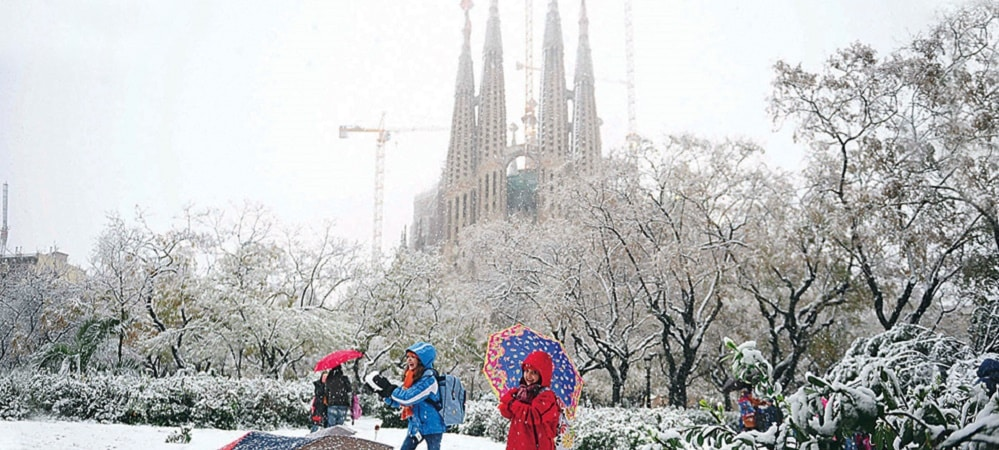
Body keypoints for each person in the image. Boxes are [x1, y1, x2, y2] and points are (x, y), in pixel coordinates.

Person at [371, 342, 445, 450]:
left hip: (432, 426)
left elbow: (408, 398)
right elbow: (399, 401)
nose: (409, 360)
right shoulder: (411, 379)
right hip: (416, 425)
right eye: (408, 357)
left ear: (422, 360)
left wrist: (389, 388)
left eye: (413, 357)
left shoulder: (429, 380)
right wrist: (383, 393)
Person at [498, 350, 561, 450]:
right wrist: (508, 400)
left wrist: (512, 402)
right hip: (517, 443)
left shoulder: (546, 396)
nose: (529, 376)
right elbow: (507, 412)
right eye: (526, 371)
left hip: (537, 445)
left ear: (542, 374)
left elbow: (532, 415)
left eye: (534, 372)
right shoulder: (521, 392)